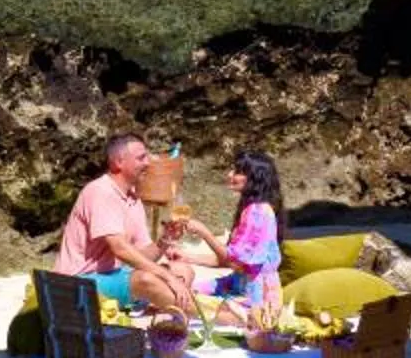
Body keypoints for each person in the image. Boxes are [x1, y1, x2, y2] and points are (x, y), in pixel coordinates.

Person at [52, 133, 201, 316]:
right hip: (78, 283)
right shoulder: (100, 192)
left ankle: (172, 308)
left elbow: (143, 256)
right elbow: (120, 249)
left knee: (182, 269)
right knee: (148, 279)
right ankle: (221, 318)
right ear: (118, 162)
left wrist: (164, 241)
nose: (148, 163)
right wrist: (167, 277)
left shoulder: (133, 198)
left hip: (110, 276)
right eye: (141, 158)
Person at [171, 150, 284, 327]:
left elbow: (233, 261)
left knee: (178, 299)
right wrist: (188, 257)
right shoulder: (251, 208)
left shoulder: (258, 212)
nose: (230, 174)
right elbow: (233, 262)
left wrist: (203, 231)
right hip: (238, 283)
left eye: (238, 171)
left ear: (255, 178)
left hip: (255, 297)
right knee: (181, 291)